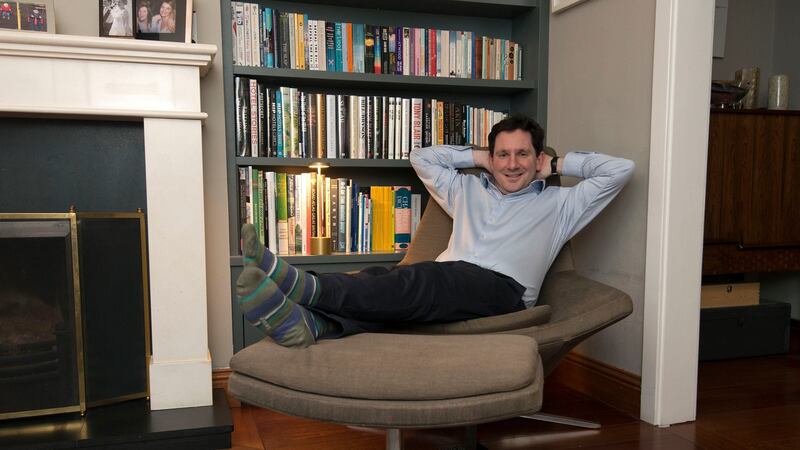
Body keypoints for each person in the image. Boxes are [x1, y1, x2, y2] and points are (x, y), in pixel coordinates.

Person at [236, 114, 635, 348]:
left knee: (426, 278)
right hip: (449, 279)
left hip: (503, 291)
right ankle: (315, 325)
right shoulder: (465, 190)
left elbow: (621, 170)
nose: (512, 164)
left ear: (538, 157)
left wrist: (558, 164)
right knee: (388, 281)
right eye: (503, 154)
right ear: (490, 159)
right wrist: (480, 158)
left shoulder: (562, 205)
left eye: (523, 154)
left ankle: (307, 287)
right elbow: (421, 157)